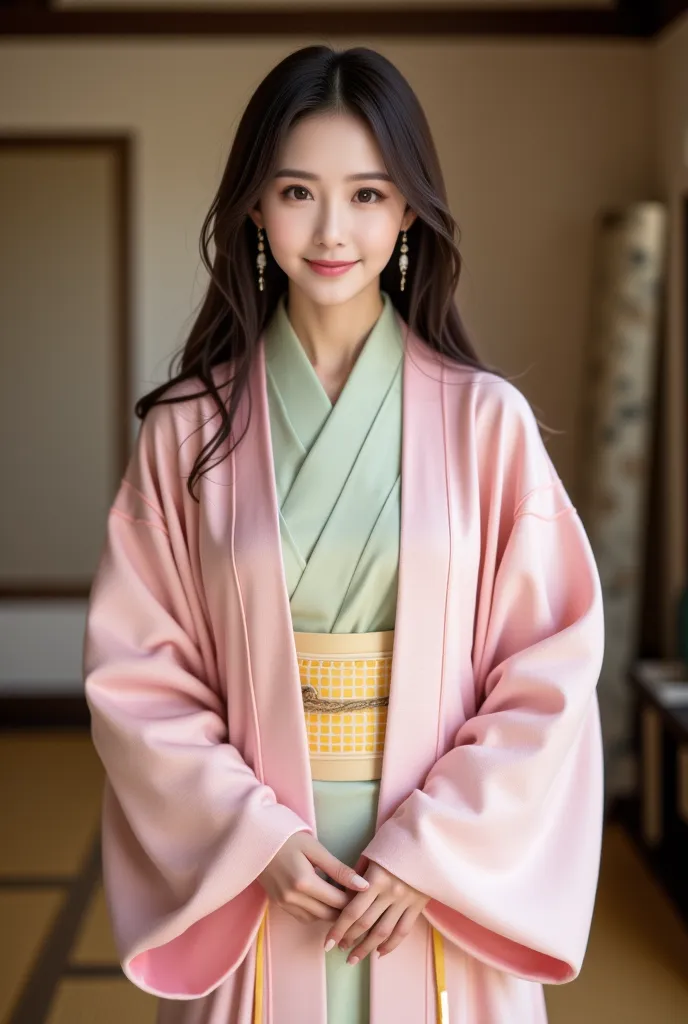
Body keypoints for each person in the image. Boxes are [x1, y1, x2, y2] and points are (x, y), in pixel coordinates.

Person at [83, 45, 605, 1024]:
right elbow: (136, 673)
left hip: (435, 868)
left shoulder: (485, 420)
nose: (332, 230)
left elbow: (548, 671)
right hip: (267, 860)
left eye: (367, 194)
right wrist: (254, 840)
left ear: (407, 211)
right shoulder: (184, 430)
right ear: (252, 206)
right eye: (296, 192)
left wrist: (431, 851)